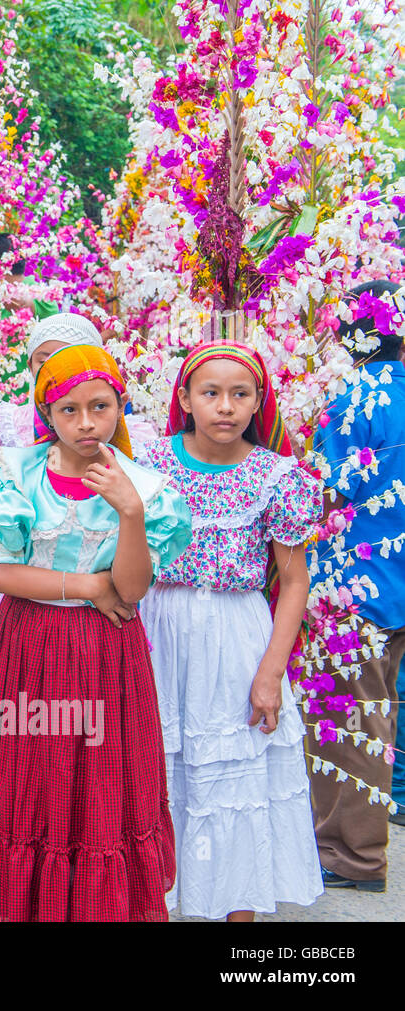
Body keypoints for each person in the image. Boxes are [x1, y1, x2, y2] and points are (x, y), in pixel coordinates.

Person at [0, 344, 191, 921]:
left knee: (98, 782)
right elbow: (3, 574)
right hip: (28, 650)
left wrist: (130, 512)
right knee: (32, 781)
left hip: (107, 659)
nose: (86, 423)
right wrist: (89, 587)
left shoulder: (145, 488)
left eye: (100, 406)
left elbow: (133, 591)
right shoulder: (17, 475)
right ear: (46, 413)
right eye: (69, 410)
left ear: (120, 406)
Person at [138, 341, 323, 920]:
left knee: (232, 782)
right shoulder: (148, 465)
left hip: (237, 637)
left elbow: (293, 582)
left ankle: (235, 921)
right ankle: (154, 903)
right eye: (210, 393)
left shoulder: (278, 475)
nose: (225, 406)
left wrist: (271, 673)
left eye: (239, 394)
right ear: (185, 399)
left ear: (258, 402)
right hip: (157, 630)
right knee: (155, 774)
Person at [0, 313, 102, 759]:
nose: (54, 370)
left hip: (85, 592)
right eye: (43, 360)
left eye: (68, 358)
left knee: (75, 715)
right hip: (12, 582)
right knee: (7, 702)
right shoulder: (8, 422)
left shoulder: (116, 433)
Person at [307, 280, 405, 891]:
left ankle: (356, 857)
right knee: (382, 711)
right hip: (393, 583)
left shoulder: (352, 395)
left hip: (354, 588)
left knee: (348, 722)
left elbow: (328, 487)